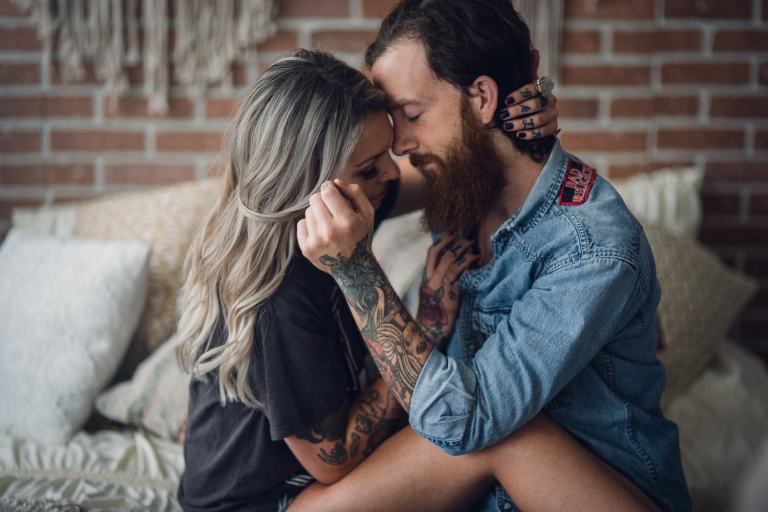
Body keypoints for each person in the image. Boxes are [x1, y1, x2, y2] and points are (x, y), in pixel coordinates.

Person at [174, 48, 658, 512]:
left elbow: (447, 172)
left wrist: (508, 130)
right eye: (370, 167)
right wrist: (427, 325)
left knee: (497, 424)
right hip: (276, 502)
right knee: (497, 433)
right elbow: (333, 459)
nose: (392, 171)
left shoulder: (341, 203)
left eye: (387, 151)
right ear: (306, 186)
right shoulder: (283, 293)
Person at [296, 1, 692, 512]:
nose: (399, 145)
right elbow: (345, 190)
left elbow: (464, 421)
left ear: (482, 97)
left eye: (411, 114)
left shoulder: (592, 246)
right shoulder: (461, 182)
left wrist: (354, 270)